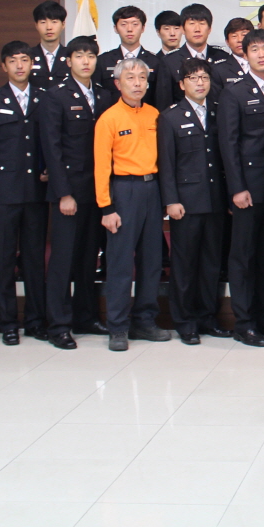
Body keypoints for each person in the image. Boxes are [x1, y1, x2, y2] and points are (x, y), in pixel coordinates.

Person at [35, 37, 115, 349]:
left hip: (97, 190)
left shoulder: (104, 95)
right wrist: (63, 193)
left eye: (90, 56)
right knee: (63, 260)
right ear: (68, 61)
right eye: (79, 56)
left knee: (87, 257)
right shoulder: (55, 96)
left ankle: (86, 316)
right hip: (69, 192)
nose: (85, 61)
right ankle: (58, 324)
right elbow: (52, 148)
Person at [217, 28, 264, 346]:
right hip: (248, 187)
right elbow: (228, 143)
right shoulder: (234, 92)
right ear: (245, 55)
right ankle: (244, 322)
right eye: (255, 49)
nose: (261, 54)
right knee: (243, 256)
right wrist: (236, 187)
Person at [94, 58, 171, 351]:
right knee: (120, 262)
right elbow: (102, 167)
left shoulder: (154, 114)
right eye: (130, 78)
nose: (137, 83)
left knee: (151, 262)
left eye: (142, 77)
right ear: (118, 83)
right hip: (123, 191)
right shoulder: (109, 118)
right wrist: (106, 207)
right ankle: (117, 326)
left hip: (152, 189)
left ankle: (145, 321)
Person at [0, 41, 48, 344]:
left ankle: (35, 320)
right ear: (3, 66)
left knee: (34, 259)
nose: (20, 66)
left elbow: (49, 143)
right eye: (13, 61)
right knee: (4, 259)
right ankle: (7, 322)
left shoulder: (44, 98)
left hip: (36, 193)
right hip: (4, 194)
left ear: (32, 64)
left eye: (25, 60)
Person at [158, 58, 231, 345]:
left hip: (215, 201)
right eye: (193, 78)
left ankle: (207, 317)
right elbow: (167, 164)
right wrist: (171, 200)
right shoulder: (170, 117)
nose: (200, 83)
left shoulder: (218, 111)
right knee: (185, 264)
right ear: (182, 84)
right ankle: (185, 321)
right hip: (186, 203)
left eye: (204, 78)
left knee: (211, 263)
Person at [155, 3, 231, 109]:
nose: (197, 29)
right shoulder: (169, 62)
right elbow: (164, 104)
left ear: (209, 29)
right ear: (182, 29)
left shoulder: (222, 57)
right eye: (191, 24)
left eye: (202, 23)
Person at [95, 5, 160, 98]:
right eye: (123, 24)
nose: (129, 29)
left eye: (135, 24)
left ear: (143, 28)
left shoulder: (156, 62)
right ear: (115, 28)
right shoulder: (103, 61)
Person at [211, 17, 256, 89]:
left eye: (244, 35)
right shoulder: (219, 69)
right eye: (234, 36)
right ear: (227, 42)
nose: (240, 40)